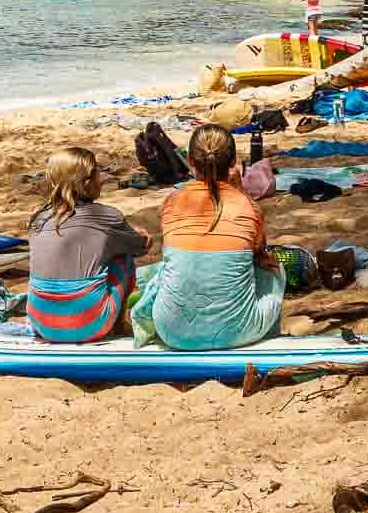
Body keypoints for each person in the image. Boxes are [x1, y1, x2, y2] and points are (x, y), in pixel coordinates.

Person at [133, 125, 283, 351]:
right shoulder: (248, 207)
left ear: (191, 162)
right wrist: (239, 191)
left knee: (168, 268)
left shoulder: (172, 201)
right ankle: (268, 331)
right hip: (238, 332)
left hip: (171, 332)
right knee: (274, 269)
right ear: (233, 163)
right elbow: (258, 254)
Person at [27, 148, 152, 342]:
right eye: (97, 172)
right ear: (86, 182)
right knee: (122, 258)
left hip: (41, 322)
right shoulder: (106, 216)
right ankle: (118, 324)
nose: (101, 179)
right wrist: (139, 236)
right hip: (90, 323)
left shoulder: (37, 220)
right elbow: (140, 247)